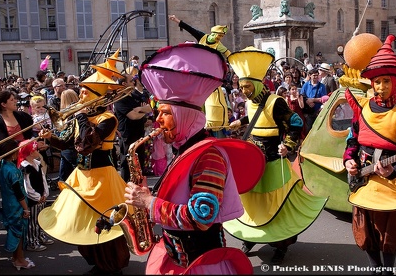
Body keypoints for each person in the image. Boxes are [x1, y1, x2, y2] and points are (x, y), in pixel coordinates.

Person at [123, 43, 264, 274]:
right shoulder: (185, 147)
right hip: (178, 258)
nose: (157, 121)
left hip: (201, 265)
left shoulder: (209, 155)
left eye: (165, 113)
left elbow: (201, 217)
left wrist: (149, 203)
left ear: (184, 116)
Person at [226, 46, 327, 264]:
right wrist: (240, 122)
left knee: (275, 204)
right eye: (242, 87)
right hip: (252, 162)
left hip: (273, 162)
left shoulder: (275, 101)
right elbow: (255, 118)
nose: (243, 91)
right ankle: (251, 237)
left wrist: (288, 145)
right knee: (251, 203)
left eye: (247, 87)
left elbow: (296, 122)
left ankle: (281, 244)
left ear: (257, 84)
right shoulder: (248, 102)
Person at [38, 62, 131, 275]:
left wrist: (80, 116)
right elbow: (68, 143)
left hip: (102, 178)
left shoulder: (108, 119)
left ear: (96, 95)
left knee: (104, 222)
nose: (80, 97)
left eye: (83, 93)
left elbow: (86, 146)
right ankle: (99, 264)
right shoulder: (84, 117)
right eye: (80, 92)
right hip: (82, 177)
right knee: (84, 224)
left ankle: (111, 265)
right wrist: (50, 138)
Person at [343, 34, 396, 275]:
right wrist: (349, 160)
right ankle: (375, 267)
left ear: (394, 82)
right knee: (365, 228)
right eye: (377, 82)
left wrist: (393, 169)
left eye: (386, 81)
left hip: (393, 181)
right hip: (365, 180)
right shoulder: (365, 108)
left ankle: (387, 270)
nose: (381, 87)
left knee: (390, 231)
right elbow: (353, 140)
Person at [168, 14, 231, 139]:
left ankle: (212, 124)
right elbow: (189, 29)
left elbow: (229, 54)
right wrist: (176, 20)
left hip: (209, 73)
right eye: (218, 35)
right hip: (198, 70)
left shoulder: (219, 46)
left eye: (221, 37)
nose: (219, 38)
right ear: (212, 33)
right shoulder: (202, 37)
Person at [0, 139, 35, 270]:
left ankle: (16, 258)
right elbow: (18, 193)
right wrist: (26, 208)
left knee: (14, 231)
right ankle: (20, 260)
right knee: (19, 233)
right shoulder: (12, 171)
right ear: (12, 154)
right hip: (16, 206)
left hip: (8, 205)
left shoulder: (3, 166)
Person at [114, 74, 152, 182]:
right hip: (127, 136)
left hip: (139, 135)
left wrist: (139, 109)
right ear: (124, 84)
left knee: (139, 163)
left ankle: (139, 186)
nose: (134, 82)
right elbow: (133, 116)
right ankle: (125, 186)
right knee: (127, 164)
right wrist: (142, 113)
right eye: (131, 81)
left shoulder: (135, 95)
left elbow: (149, 108)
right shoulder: (120, 99)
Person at [17, 139, 54, 252]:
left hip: (40, 197)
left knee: (39, 218)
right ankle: (31, 241)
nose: (38, 151)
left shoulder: (36, 163)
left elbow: (43, 179)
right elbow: (27, 186)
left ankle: (39, 235)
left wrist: (45, 193)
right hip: (33, 200)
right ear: (30, 152)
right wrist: (37, 197)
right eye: (36, 149)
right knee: (32, 221)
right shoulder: (25, 167)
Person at [300, 68, 327, 135]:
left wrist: (313, 100)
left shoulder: (322, 86)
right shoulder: (306, 85)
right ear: (310, 75)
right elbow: (301, 96)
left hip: (318, 112)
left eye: (317, 75)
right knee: (308, 130)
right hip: (308, 113)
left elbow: (324, 98)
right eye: (314, 75)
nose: (316, 77)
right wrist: (307, 101)